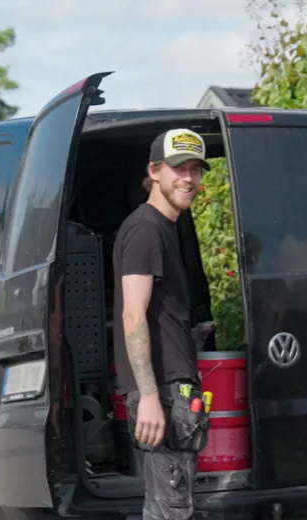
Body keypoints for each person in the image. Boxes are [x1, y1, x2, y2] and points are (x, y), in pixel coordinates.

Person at [112, 128, 213, 520]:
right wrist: (150, 396)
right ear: (154, 171)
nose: (188, 178)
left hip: (173, 389)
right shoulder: (146, 229)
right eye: (177, 169)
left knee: (169, 509)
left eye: (195, 170)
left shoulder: (166, 228)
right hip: (163, 394)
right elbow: (132, 314)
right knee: (171, 511)